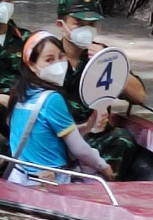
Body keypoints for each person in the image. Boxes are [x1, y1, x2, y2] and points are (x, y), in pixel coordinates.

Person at [53, 0, 145, 177]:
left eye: (92, 25)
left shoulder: (103, 56)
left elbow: (139, 96)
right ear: (61, 26)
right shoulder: (48, 56)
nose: (86, 30)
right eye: (79, 24)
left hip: (95, 138)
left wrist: (111, 64)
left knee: (123, 140)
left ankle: (101, 189)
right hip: (58, 138)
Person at [6, 31, 113, 185]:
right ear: (31, 65)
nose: (58, 64)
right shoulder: (52, 99)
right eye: (49, 60)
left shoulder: (20, 92)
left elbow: (42, 131)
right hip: (50, 181)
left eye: (61, 57)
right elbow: (79, 150)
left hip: (20, 177)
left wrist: (86, 127)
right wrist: (103, 166)